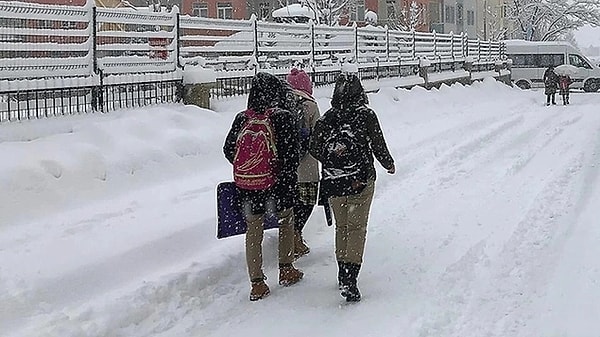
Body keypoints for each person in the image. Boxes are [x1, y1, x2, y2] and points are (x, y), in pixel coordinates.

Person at [309, 69, 395, 302]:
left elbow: (314, 147)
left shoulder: (327, 118)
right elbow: (378, 144)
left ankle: (342, 272)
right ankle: (350, 277)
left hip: (334, 181)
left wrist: (332, 159)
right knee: (357, 229)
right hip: (360, 180)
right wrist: (388, 164)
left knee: (342, 227)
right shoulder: (366, 115)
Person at [223, 72, 303, 301]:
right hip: (278, 185)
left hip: (248, 187)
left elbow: (229, 149)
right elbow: (291, 154)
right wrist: (278, 173)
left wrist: (250, 167)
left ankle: (257, 283)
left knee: (253, 231)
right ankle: (286, 269)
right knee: (286, 221)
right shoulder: (282, 117)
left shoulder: (242, 118)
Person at [286, 68, 321, 258]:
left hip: (286, 165)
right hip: (307, 165)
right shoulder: (310, 105)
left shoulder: (280, 103)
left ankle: (289, 236)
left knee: (290, 203)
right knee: (306, 201)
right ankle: (296, 235)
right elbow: (319, 134)